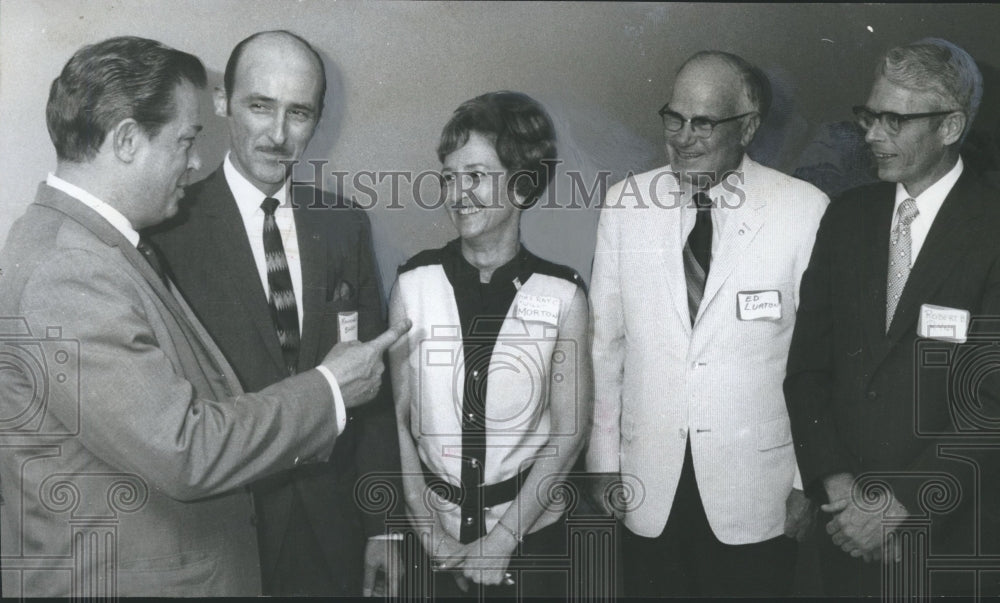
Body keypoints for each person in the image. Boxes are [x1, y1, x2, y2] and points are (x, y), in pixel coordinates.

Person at [0, 36, 408, 597]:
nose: (194, 161)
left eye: (300, 112)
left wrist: (383, 526)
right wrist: (331, 388)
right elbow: (184, 449)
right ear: (125, 140)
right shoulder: (74, 267)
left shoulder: (89, 246)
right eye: (186, 141)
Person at [147, 30, 400, 597]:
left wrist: (385, 529)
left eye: (299, 113)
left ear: (318, 118)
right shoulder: (167, 229)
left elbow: (374, 386)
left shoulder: (344, 225)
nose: (279, 135)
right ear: (222, 101)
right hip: (226, 534)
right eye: (260, 106)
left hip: (334, 531)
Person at [587, 51, 829, 597]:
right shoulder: (627, 205)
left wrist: (802, 482)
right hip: (648, 484)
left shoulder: (803, 210)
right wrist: (602, 461)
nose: (682, 137)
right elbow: (605, 346)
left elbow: (817, 360)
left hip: (758, 491)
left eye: (703, 123)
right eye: (674, 117)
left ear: (748, 127)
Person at [785, 38, 1000, 597]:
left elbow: (992, 405)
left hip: (950, 540)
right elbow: (808, 370)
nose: (872, 134)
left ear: (951, 127)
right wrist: (843, 495)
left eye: (894, 120)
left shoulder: (992, 227)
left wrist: (898, 507)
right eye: (869, 115)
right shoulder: (846, 219)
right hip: (843, 534)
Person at [387, 91, 592, 598]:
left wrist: (502, 540)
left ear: (522, 187)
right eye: (449, 177)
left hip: (531, 541)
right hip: (434, 538)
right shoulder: (413, 285)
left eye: (475, 175)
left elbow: (570, 433)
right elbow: (395, 420)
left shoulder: (563, 296)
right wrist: (430, 535)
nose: (458, 193)